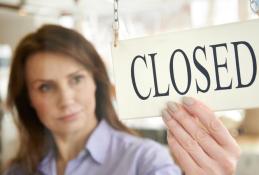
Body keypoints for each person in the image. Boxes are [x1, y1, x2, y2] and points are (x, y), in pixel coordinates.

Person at [2, 24, 240, 175]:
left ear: (96, 81)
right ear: (28, 98)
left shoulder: (145, 160)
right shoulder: (18, 170)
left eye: (76, 79)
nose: (66, 99)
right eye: (45, 87)